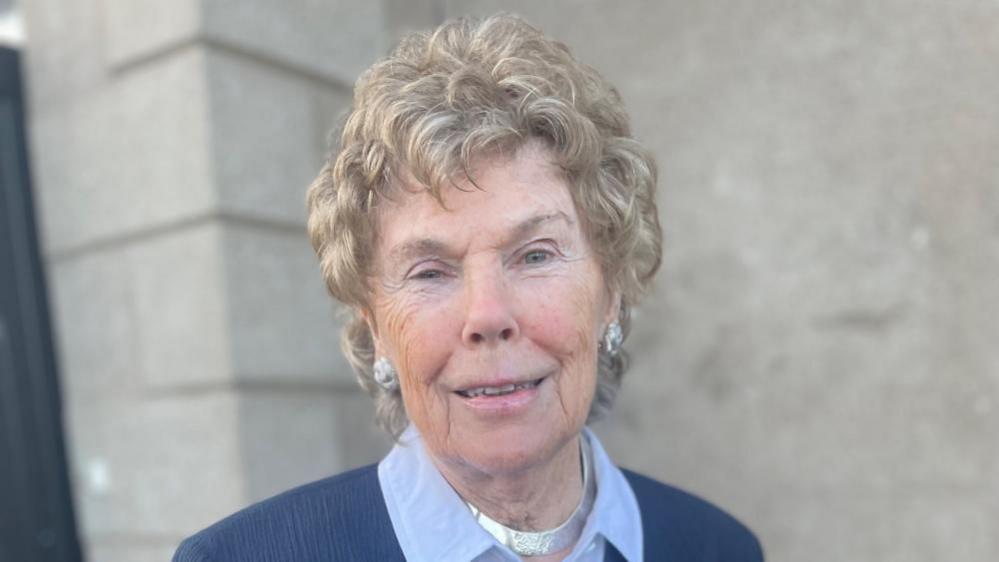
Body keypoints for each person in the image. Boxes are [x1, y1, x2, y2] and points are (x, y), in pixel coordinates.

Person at [173, 13, 763, 562]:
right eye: (430, 271)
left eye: (534, 255)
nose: (487, 314)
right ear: (376, 329)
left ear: (610, 294)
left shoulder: (717, 548)